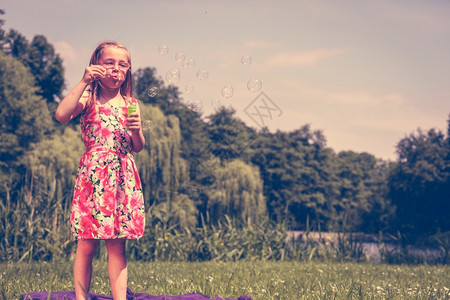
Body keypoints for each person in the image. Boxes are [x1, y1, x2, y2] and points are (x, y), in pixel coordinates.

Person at [55, 41, 145, 300]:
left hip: (122, 177)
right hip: (94, 177)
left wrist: (137, 130)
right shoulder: (87, 97)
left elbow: (137, 146)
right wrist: (84, 81)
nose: (116, 69)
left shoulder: (130, 103)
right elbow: (61, 114)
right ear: (96, 65)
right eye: (109, 63)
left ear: (128, 71)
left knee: (118, 246)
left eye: (122, 65)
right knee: (87, 244)